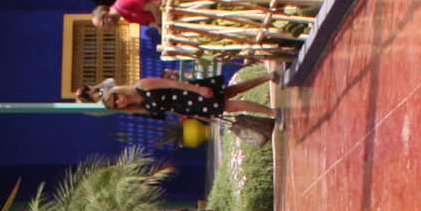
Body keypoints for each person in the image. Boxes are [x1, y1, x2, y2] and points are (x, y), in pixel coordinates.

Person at [75, 72, 274, 131]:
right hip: (187, 106)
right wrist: (193, 115)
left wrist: (198, 89)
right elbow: (169, 110)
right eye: (116, 104)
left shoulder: (142, 85)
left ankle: (272, 112)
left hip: (190, 94)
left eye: (116, 97)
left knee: (230, 105)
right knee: (232, 92)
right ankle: (267, 77)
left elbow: (171, 83)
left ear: (118, 91)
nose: (119, 101)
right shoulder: (142, 107)